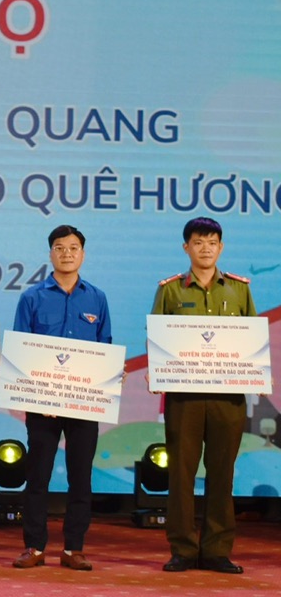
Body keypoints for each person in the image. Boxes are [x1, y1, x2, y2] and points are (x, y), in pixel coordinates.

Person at [152, 216, 254, 575]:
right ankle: (182, 549)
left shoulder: (239, 289)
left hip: (229, 398)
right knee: (180, 475)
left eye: (212, 242)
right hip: (185, 398)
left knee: (222, 474)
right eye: (198, 242)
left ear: (221, 247)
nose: (205, 249)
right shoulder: (170, 290)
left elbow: (252, 342)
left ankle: (216, 550)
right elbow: (158, 339)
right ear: (186, 248)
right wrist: (158, 370)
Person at [11, 225, 111, 572]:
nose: (66, 253)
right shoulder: (32, 298)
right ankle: (34, 546)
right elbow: (21, 351)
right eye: (59, 248)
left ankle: (74, 548)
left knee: (80, 478)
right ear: (50, 253)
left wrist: (111, 375)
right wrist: (42, 395)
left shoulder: (97, 298)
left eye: (73, 248)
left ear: (83, 253)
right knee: (37, 477)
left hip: (84, 404)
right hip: (42, 407)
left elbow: (104, 347)